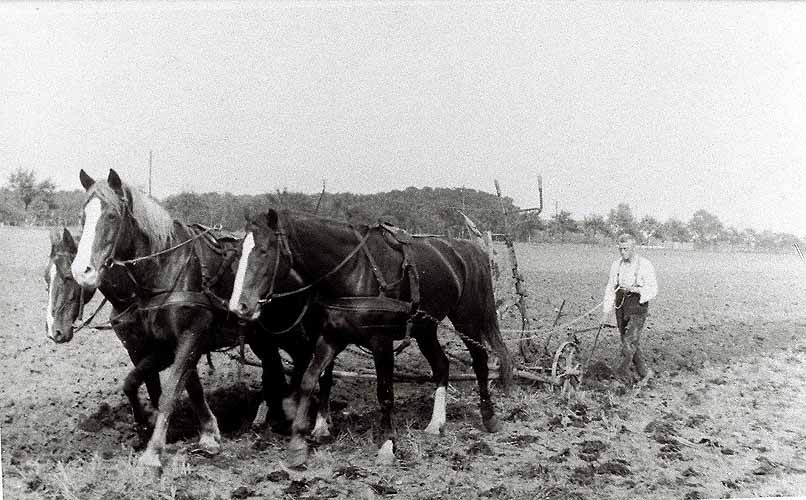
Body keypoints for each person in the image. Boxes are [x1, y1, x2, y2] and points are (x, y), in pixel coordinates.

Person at [601, 233, 658, 386]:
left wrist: (634, 289)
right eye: (620, 249)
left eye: (626, 249)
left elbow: (653, 288)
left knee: (629, 341)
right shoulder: (616, 265)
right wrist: (607, 311)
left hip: (637, 304)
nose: (622, 252)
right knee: (629, 341)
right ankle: (644, 373)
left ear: (634, 248)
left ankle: (620, 375)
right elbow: (610, 287)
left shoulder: (645, 265)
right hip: (621, 304)